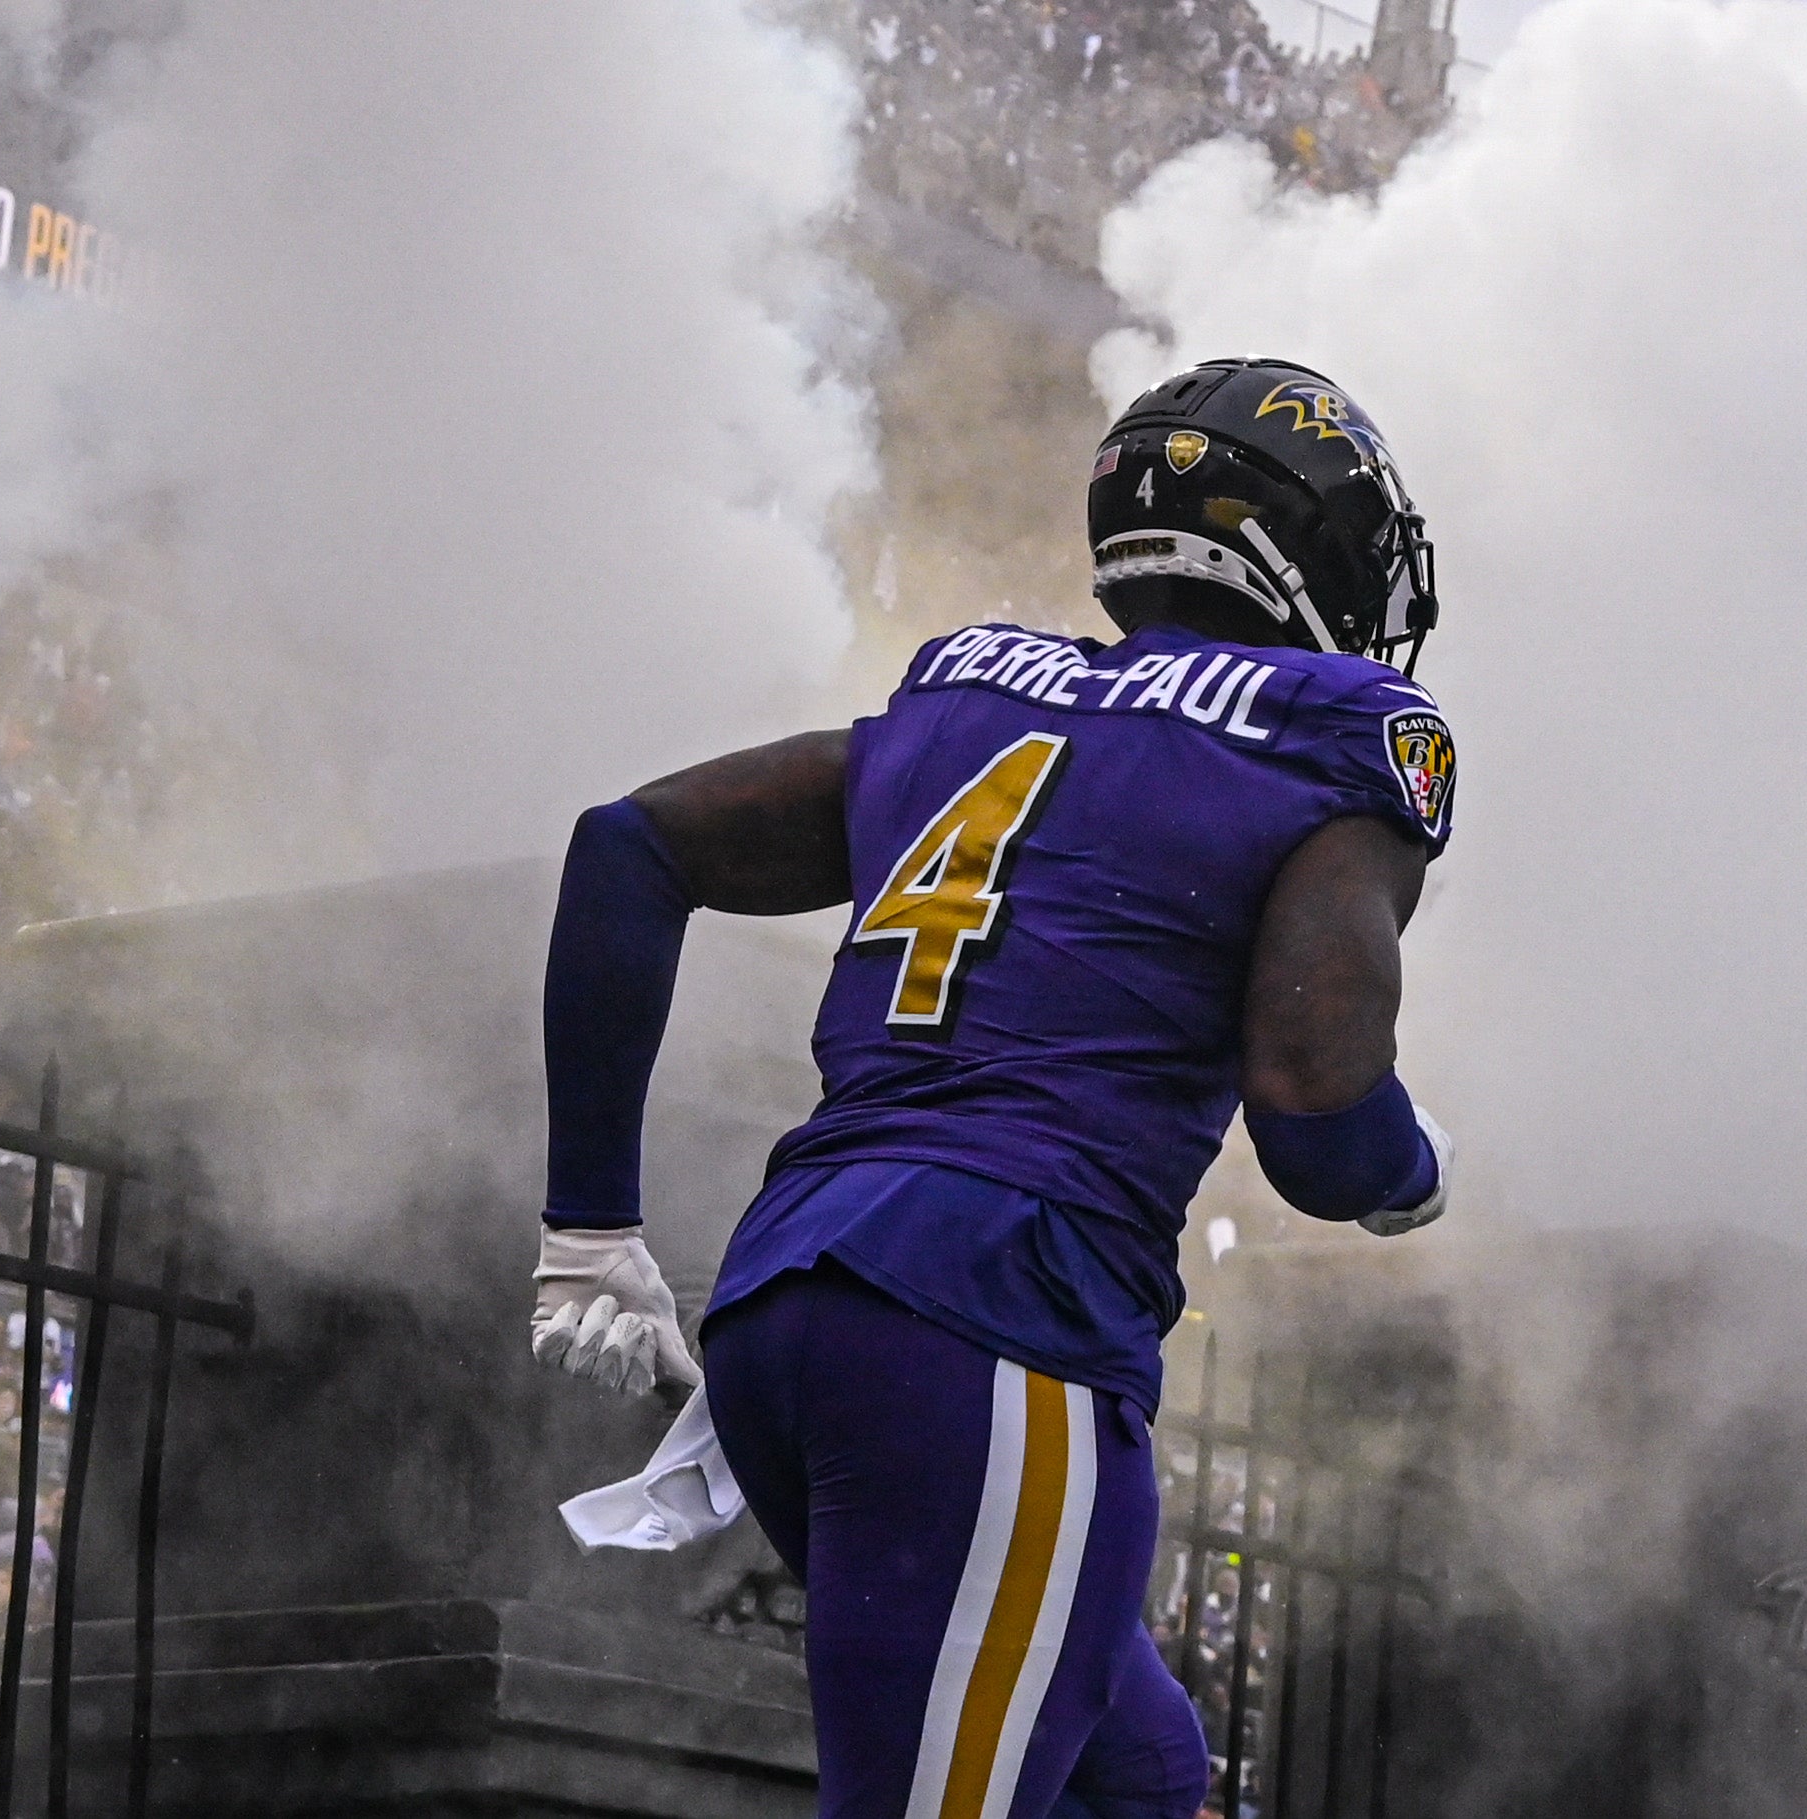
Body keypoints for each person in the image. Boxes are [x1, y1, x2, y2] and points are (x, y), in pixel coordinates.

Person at [532, 357, 1456, 1819]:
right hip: (995, 1318)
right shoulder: (1333, 728)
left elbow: (630, 847)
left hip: (794, 1294)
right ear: (1317, 548)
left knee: (1134, 1779)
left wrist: (590, 1224)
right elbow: (1316, 1107)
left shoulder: (974, 694)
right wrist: (1411, 1168)